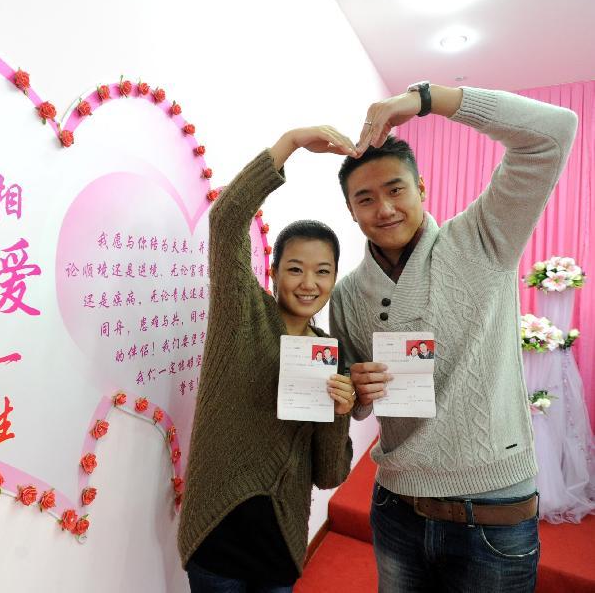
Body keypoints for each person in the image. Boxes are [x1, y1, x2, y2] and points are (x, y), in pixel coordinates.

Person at [329, 83, 578, 592]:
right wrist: (355, 386)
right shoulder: (349, 293)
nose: (384, 209)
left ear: (422, 190)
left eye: (396, 189)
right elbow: (352, 401)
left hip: (495, 512)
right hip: (395, 506)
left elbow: (553, 134)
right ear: (352, 212)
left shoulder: (485, 237)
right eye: (365, 199)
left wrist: (425, 99)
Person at [178, 126, 357, 592]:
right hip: (215, 530)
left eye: (323, 272)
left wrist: (340, 414)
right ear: (273, 271)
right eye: (295, 268)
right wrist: (290, 144)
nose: (308, 283)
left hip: (280, 539)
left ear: (335, 278)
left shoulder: (329, 356)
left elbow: (329, 475)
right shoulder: (243, 314)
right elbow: (228, 218)